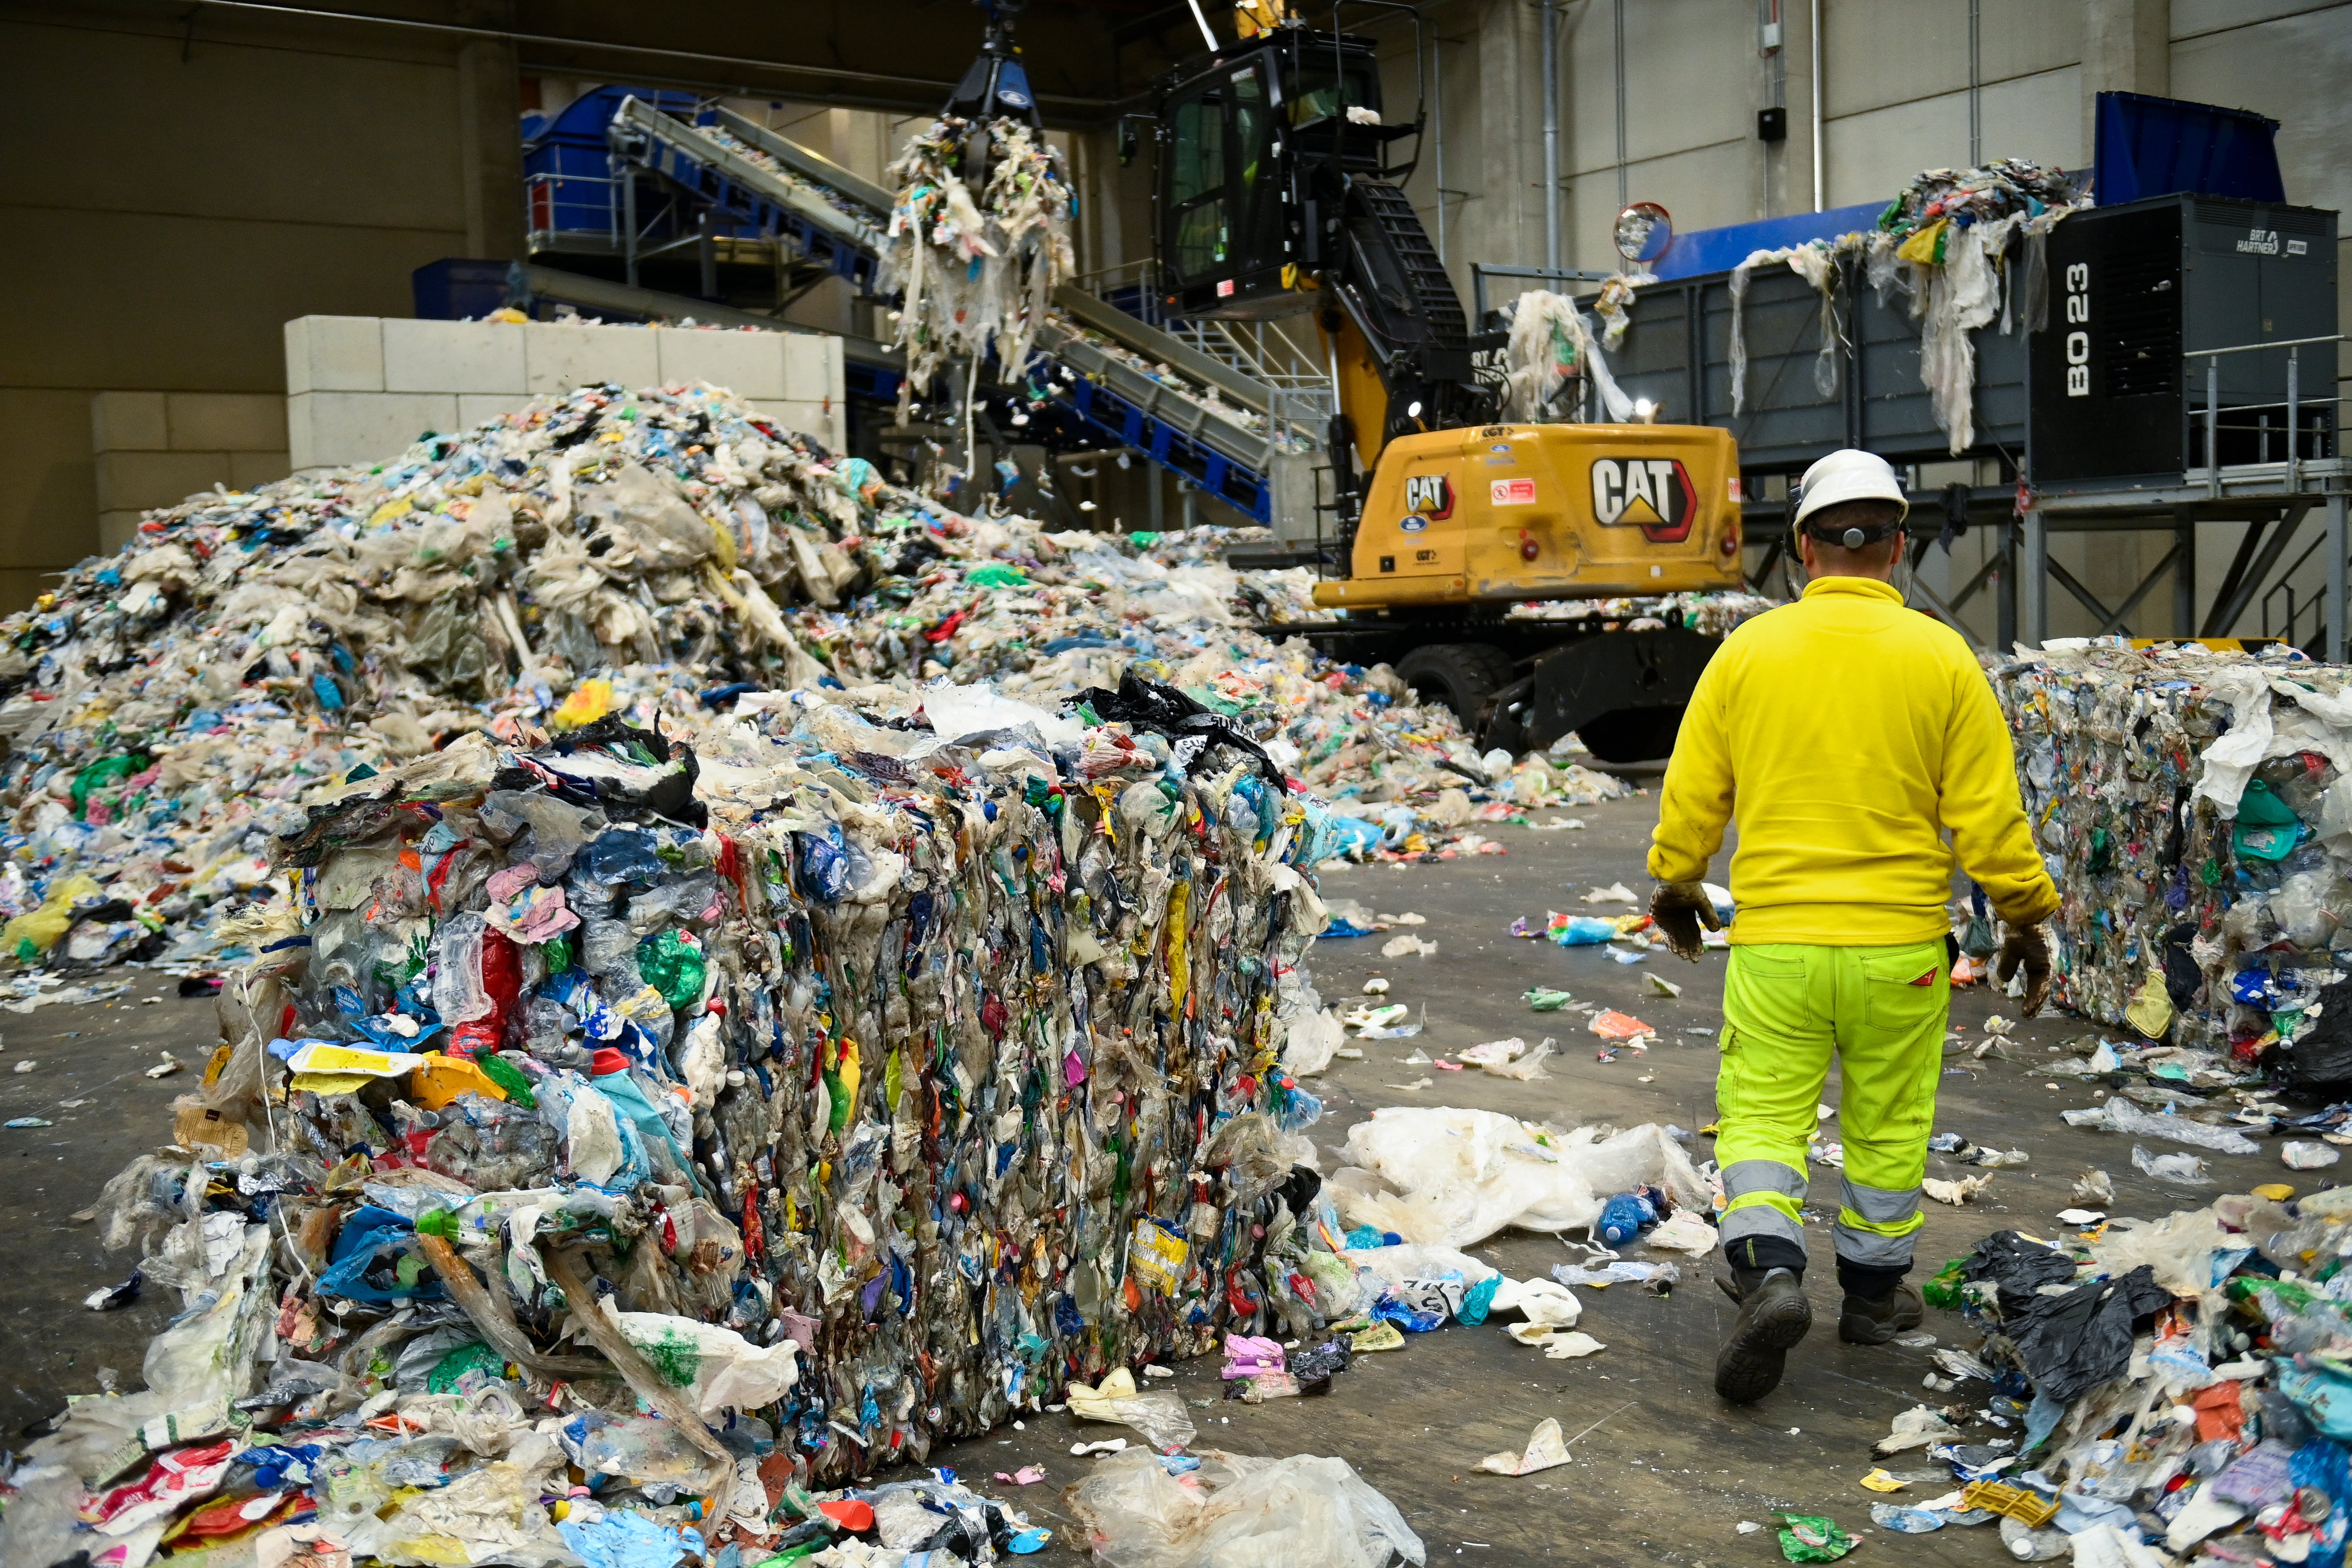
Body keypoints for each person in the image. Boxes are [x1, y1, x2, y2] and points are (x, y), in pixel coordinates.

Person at [1645, 448, 2059, 1405]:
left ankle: (1768, 1268)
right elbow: (1989, 816)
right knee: (1887, 1121)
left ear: (1801, 547)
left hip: (1779, 948)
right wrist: (2026, 918)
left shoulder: (1747, 653)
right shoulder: (1941, 655)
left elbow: (1693, 790)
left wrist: (1676, 882)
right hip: (1901, 954)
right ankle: (1873, 1300)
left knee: (1761, 1115)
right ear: (1899, 545)